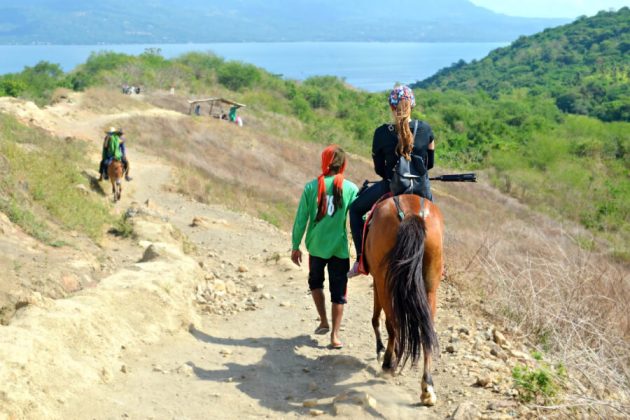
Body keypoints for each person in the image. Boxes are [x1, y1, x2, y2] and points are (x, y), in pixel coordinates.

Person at [347, 85, 435, 277]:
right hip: (421, 188)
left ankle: (361, 261)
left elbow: (379, 169)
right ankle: (439, 264)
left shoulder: (381, 133)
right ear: (412, 104)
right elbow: (430, 165)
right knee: (435, 218)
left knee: (355, 210)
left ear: (391, 107)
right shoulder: (426, 129)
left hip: (391, 186)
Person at [291, 145, 359, 349]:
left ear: (325, 162)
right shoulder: (350, 189)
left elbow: (301, 219)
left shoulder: (311, 187)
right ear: (343, 165)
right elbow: (358, 221)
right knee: (339, 292)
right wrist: (362, 252)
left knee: (315, 284)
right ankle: (335, 336)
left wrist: (295, 245)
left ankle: (323, 321)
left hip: (317, 247)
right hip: (339, 248)